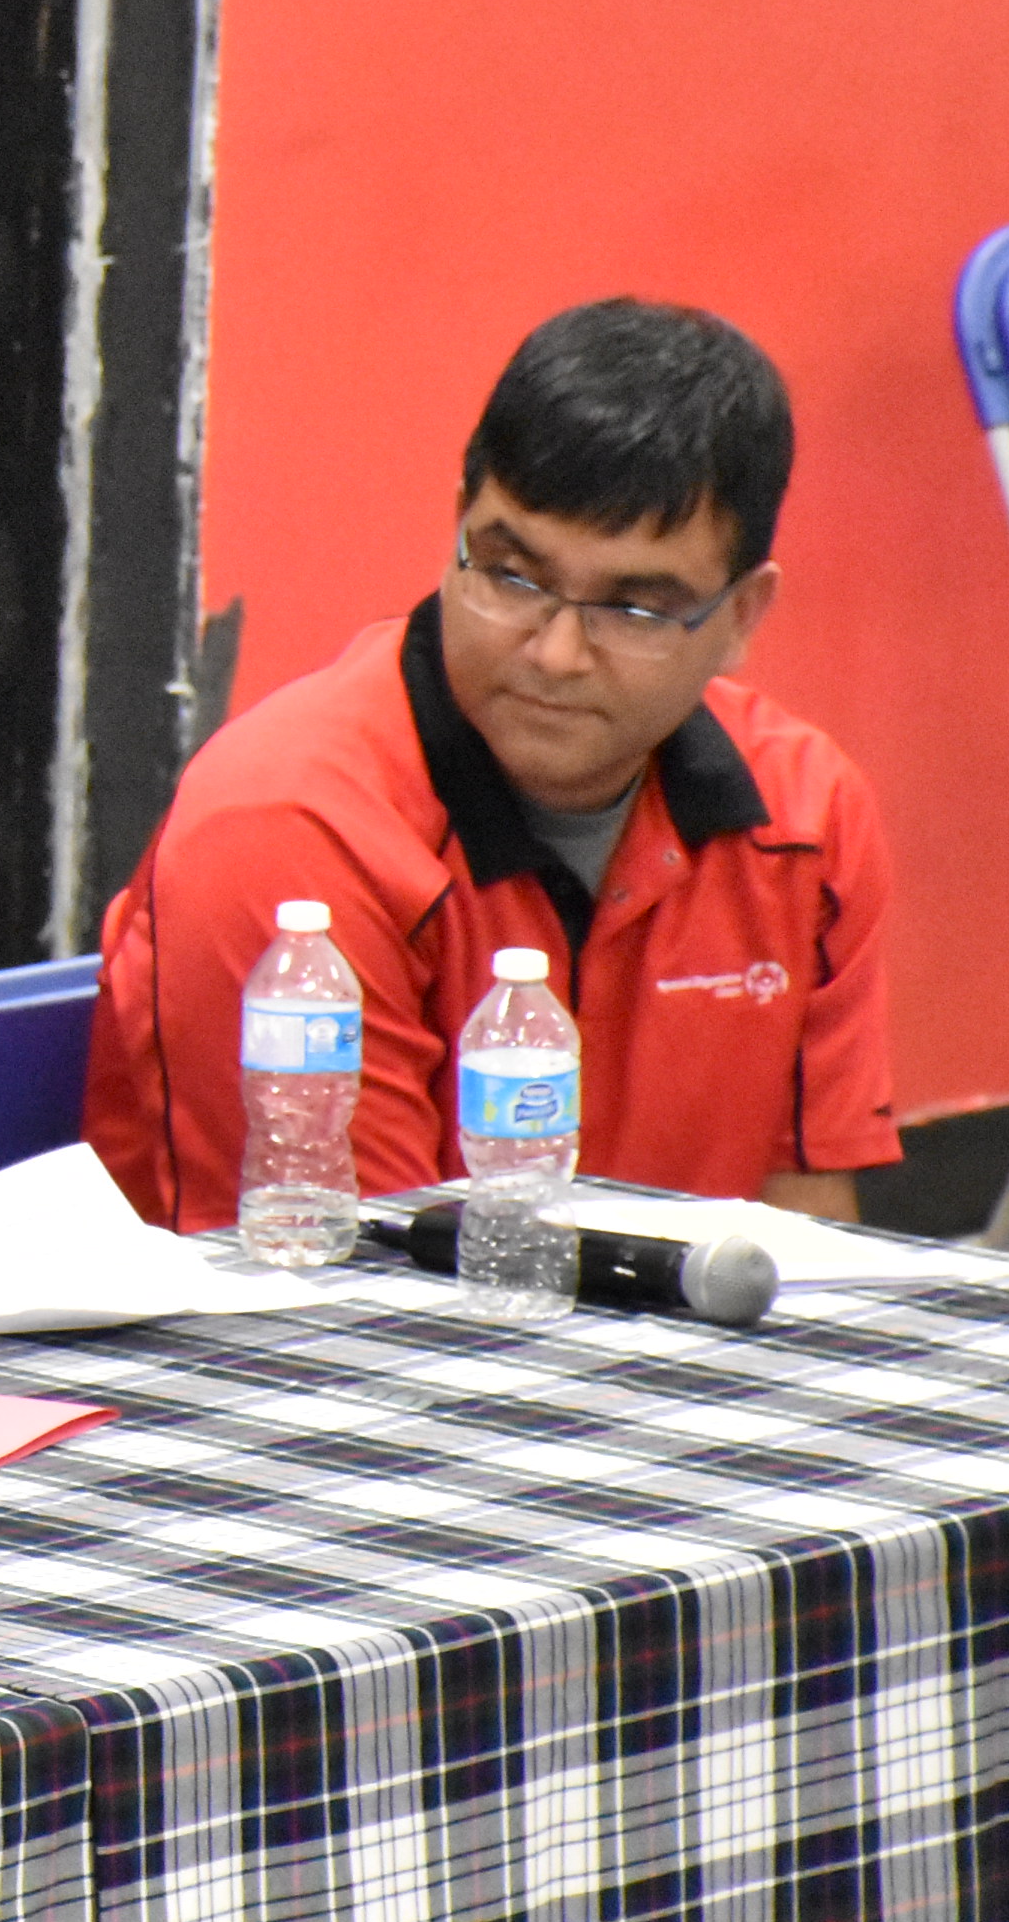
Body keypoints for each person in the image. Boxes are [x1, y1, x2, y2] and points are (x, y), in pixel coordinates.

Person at [88, 297, 895, 1230]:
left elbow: (811, 1250)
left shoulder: (805, 824)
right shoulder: (284, 833)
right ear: (459, 533)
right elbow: (357, 1278)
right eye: (512, 577)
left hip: (643, 1324)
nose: (555, 653)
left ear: (742, 617)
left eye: (633, 609)